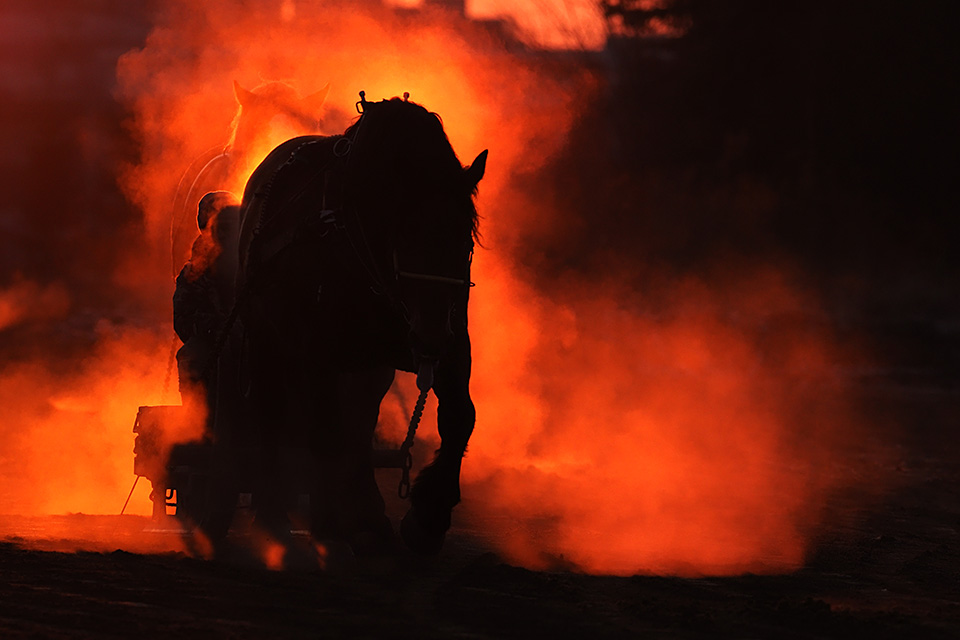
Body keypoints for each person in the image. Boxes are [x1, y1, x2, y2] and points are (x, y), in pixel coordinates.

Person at [173, 191, 240, 430]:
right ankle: (199, 427)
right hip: (212, 342)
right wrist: (213, 328)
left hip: (250, 341)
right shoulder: (196, 271)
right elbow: (182, 318)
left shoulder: (251, 258)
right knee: (193, 356)